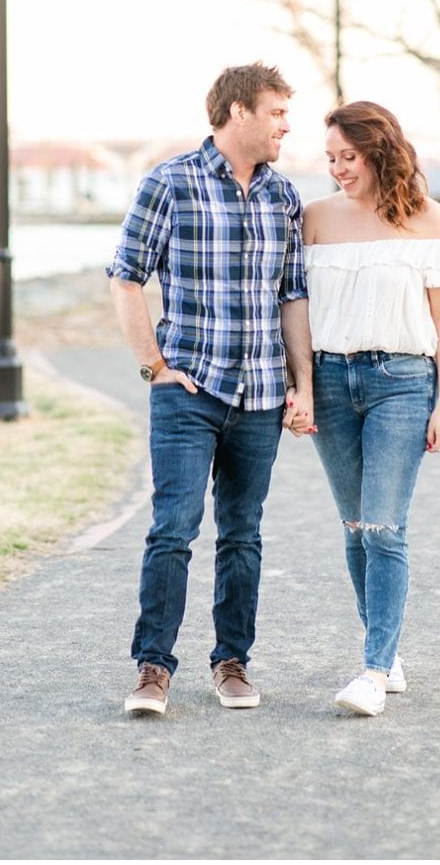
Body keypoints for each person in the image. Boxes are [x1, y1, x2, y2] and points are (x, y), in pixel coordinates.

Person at [110, 63, 310, 716]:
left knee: (243, 534)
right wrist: (154, 365)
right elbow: (126, 275)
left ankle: (232, 661)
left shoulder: (284, 198)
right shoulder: (170, 182)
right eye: (276, 111)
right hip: (187, 394)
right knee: (173, 528)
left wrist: (300, 383)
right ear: (237, 112)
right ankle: (152, 668)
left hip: (258, 398)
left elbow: (292, 297)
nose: (286, 123)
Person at [299, 100, 440, 717]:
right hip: (330, 380)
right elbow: (296, 310)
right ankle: (388, 650)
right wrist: (301, 386)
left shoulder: (429, 219)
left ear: (379, 151)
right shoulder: (315, 218)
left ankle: (373, 671)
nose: (339, 169)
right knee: (354, 527)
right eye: (330, 158)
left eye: (349, 157)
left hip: (402, 381)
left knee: (383, 525)